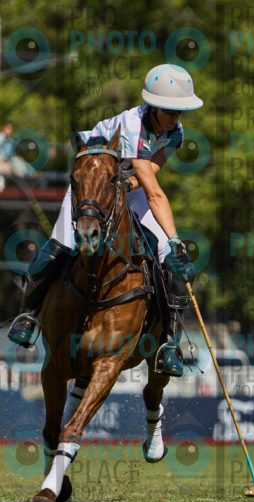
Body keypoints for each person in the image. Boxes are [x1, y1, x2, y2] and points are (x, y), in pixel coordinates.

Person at [8, 64, 202, 378]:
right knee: (60, 245)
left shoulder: (175, 132)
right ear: (153, 105)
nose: (174, 117)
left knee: (169, 255)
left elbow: (153, 168)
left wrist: (171, 241)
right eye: (169, 110)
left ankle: (169, 343)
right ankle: (28, 316)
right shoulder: (133, 126)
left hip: (127, 187)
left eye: (179, 111)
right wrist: (176, 234)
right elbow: (155, 194)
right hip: (91, 185)